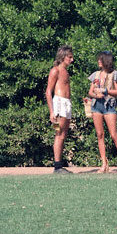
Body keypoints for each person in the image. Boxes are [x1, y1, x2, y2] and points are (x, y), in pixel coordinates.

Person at [87, 51, 117, 173]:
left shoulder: (115, 74)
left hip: (109, 106)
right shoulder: (95, 75)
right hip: (96, 106)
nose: (98, 61)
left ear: (106, 61)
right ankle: (104, 163)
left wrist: (105, 91)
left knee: (113, 134)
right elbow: (90, 92)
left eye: (100, 59)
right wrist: (95, 95)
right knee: (100, 135)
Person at [45, 45, 74, 174]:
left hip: (66, 104)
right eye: (70, 57)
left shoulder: (66, 72)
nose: (72, 60)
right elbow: (48, 92)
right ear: (63, 57)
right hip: (58, 105)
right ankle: (57, 166)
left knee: (63, 134)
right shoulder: (55, 70)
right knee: (59, 133)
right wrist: (52, 111)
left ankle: (60, 164)